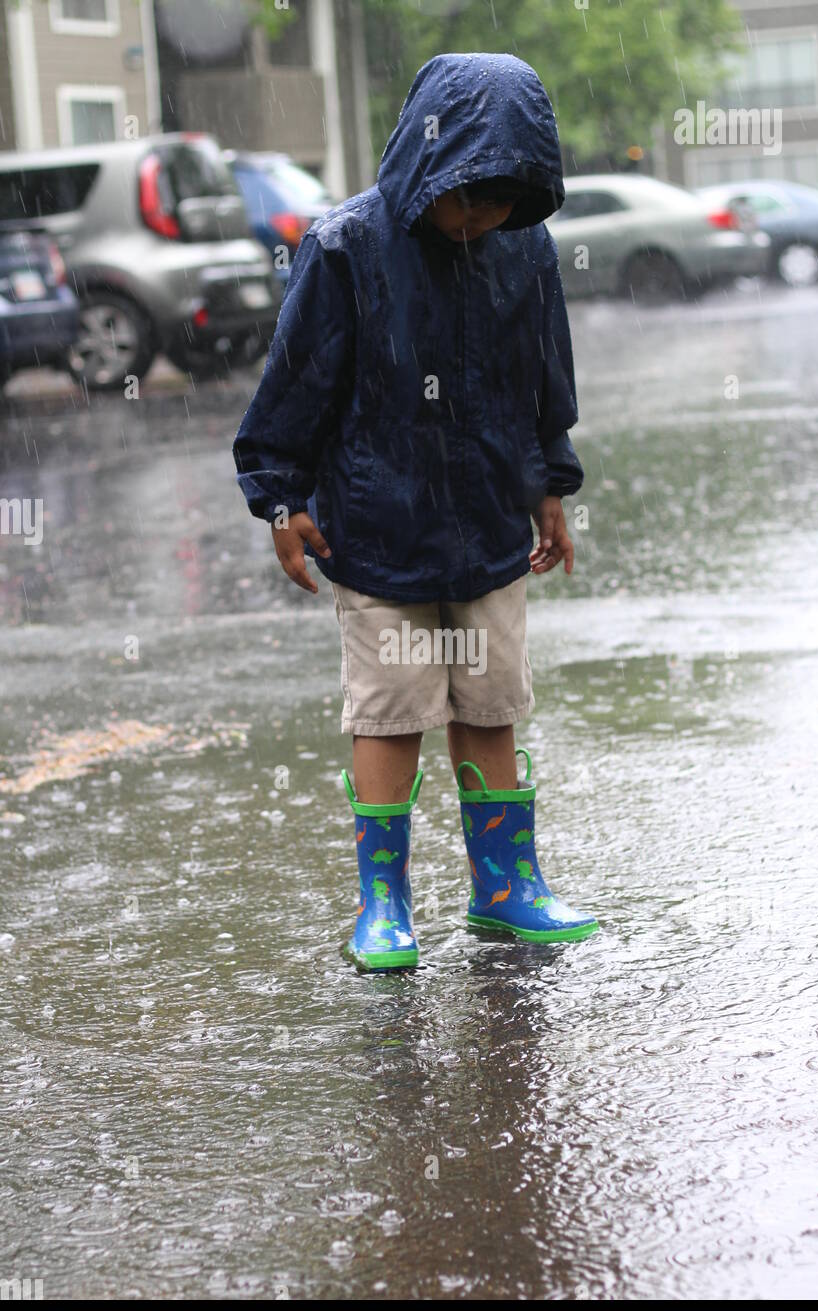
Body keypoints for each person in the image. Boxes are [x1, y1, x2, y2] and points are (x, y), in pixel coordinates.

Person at [233, 52, 598, 971]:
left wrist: (550, 485)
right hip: (377, 526)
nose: (479, 222)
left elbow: (544, 377)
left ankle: (506, 886)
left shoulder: (525, 247)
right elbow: (298, 384)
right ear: (426, 166)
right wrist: (279, 497)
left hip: (488, 523)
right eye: (466, 199)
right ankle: (384, 901)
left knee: (490, 701)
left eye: (502, 202)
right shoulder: (348, 247)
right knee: (392, 711)